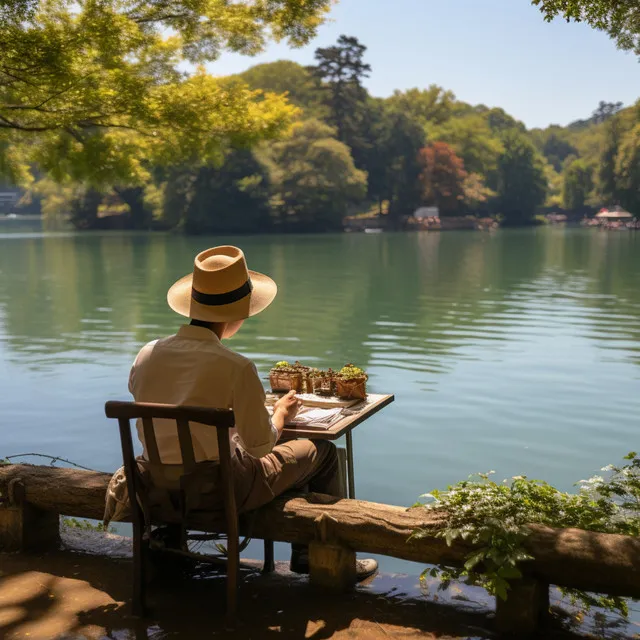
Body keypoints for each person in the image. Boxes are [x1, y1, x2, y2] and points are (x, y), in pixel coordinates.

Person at [128, 245, 377, 579]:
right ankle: (325, 559)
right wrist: (280, 416)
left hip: (154, 486)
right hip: (220, 491)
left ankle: (171, 538)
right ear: (237, 315)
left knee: (274, 459)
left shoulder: (147, 354)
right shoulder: (235, 367)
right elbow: (260, 447)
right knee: (322, 452)